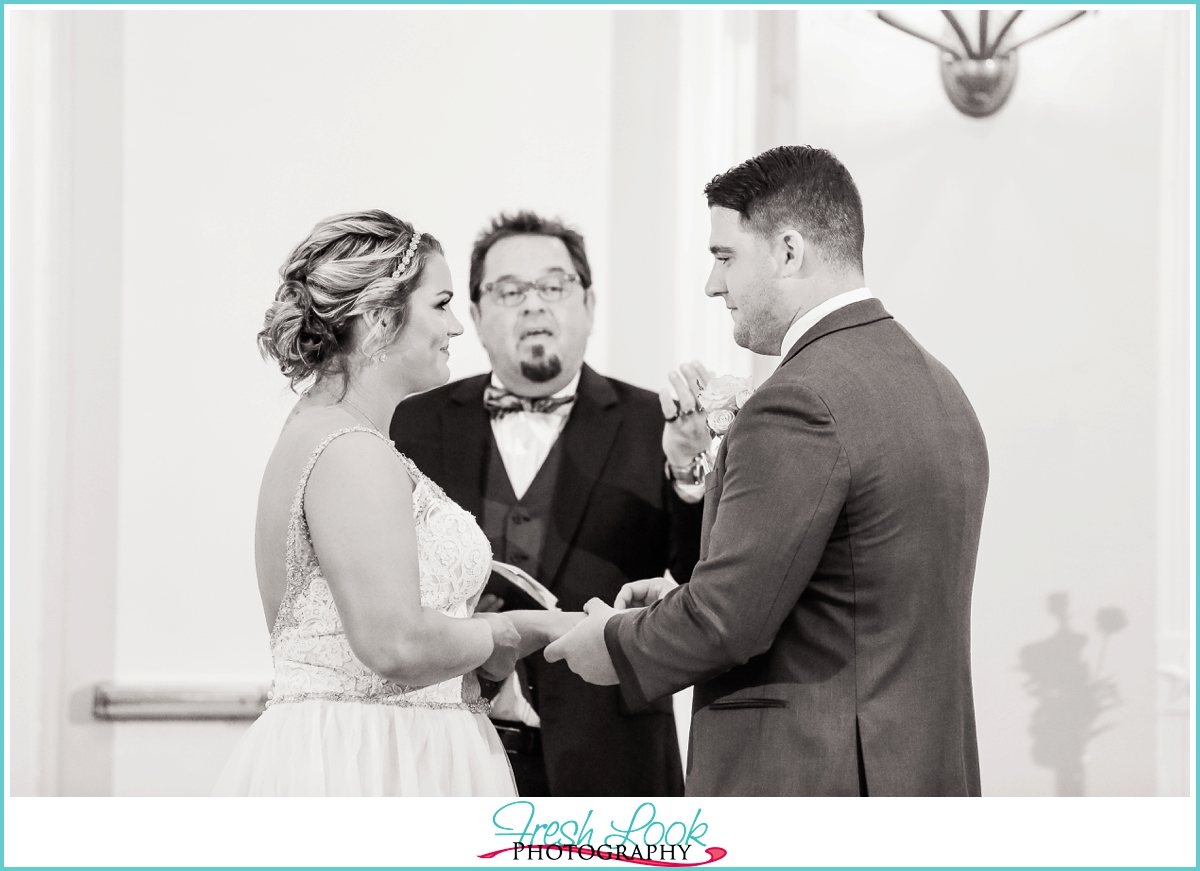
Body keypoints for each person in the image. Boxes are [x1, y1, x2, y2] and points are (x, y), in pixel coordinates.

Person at [546, 146, 990, 797]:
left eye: (724, 256)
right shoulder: (941, 387)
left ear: (787, 251)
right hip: (920, 772)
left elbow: (728, 622)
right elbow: (847, 595)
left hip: (811, 782)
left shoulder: (800, 398)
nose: (712, 284)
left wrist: (611, 643)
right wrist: (675, 600)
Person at [214, 210, 574, 796]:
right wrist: (511, 630)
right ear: (381, 318)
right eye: (441, 303)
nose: (455, 327)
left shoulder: (330, 432)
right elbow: (395, 644)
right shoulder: (350, 448)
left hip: (378, 739)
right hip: (371, 761)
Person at [390, 211, 711, 796]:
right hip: (445, 753)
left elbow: (701, 583)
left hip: (612, 759)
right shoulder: (412, 423)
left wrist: (688, 469)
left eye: (554, 286)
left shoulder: (653, 424)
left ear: (588, 304)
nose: (533, 305)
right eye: (510, 291)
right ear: (477, 316)